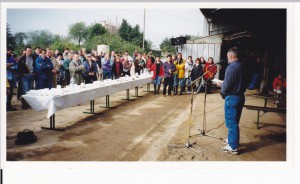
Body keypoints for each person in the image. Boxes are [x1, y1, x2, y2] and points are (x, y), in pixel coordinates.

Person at [216, 47, 249, 155]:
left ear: (231, 56)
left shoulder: (231, 67)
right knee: (235, 120)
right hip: (240, 96)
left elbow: (226, 87)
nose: (227, 59)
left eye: (227, 57)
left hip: (232, 98)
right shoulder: (243, 66)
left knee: (231, 122)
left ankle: (233, 146)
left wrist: (220, 84)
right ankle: (231, 139)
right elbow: (245, 81)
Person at [6, 47, 18, 111]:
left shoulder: (11, 57)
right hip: (6, 77)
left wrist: (10, 65)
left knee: (10, 93)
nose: (10, 53)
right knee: (6, 93)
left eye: (11, 52)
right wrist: (10, 65)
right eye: (10, 52)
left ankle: (9, 106)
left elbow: (15, 65)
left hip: (12, 77)